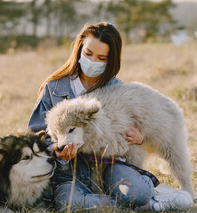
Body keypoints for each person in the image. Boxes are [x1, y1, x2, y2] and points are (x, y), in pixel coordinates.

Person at [28, 22, 194, 212]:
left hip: (112, 167)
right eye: (88, 54)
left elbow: (135, 130)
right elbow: (36, 133)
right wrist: (57, 150)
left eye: (101, 58)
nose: (92, 61)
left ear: (110, 60)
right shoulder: (54, 88)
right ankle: (152, 205)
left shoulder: (116, 88)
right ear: (79, 48)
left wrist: (141, 139)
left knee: (138, 192)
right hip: (70, 174)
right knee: (69, 204)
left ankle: (139, 199)